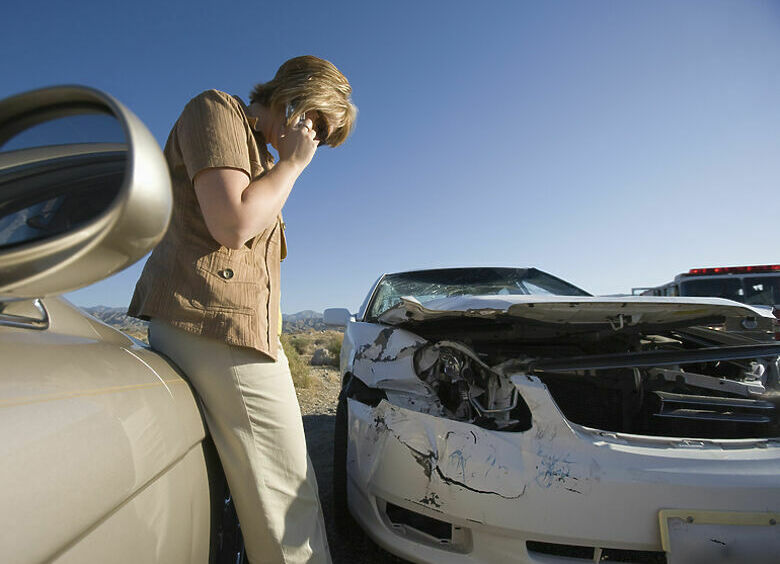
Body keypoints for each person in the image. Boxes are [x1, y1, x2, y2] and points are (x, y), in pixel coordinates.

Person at [128, 55, 356, 563]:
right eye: (317, 124)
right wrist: (292, 165)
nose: (315, 140)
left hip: (225, 329)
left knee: (265, 491)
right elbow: (232, 224)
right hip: (216, 326)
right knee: (287, 499)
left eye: (324, 134)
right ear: (296, 101)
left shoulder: (260, 156)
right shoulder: (217, 111)